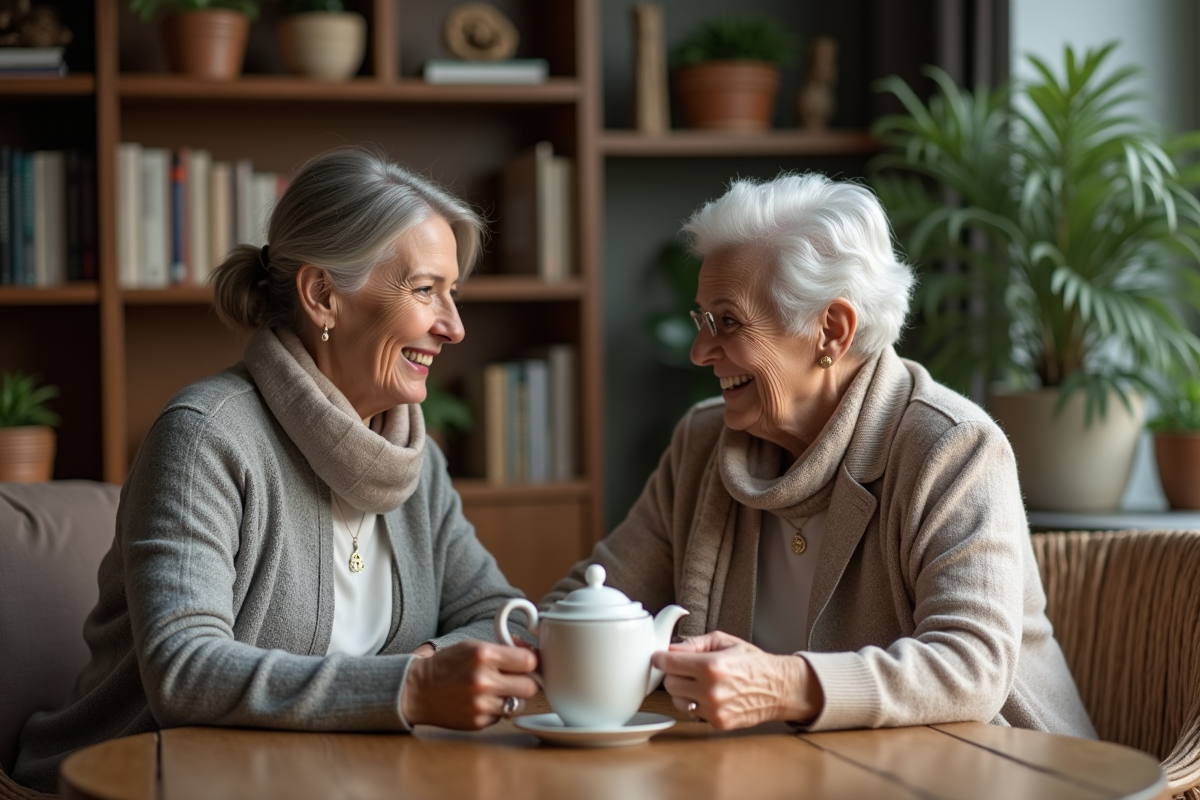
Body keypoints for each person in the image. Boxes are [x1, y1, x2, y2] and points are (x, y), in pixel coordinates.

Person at [13, 149, 538, 792]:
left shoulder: (414, 458)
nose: (454, 326)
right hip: (142, 782)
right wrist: (414, 687)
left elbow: (500, 613)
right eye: (426, 290)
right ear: (322, 295)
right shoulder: (207, 437)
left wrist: (429, 665)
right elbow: (185, 671)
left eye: (452, 293)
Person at [542, 173, 1096, 738]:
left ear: (831, 330)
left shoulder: (952, 448)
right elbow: (594, 597)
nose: (700, 350)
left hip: (1000, 771)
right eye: (701, 320)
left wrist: (783, 684)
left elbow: (972, 667)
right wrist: (469, 657)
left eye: (728, 321)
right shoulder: (701, 446)